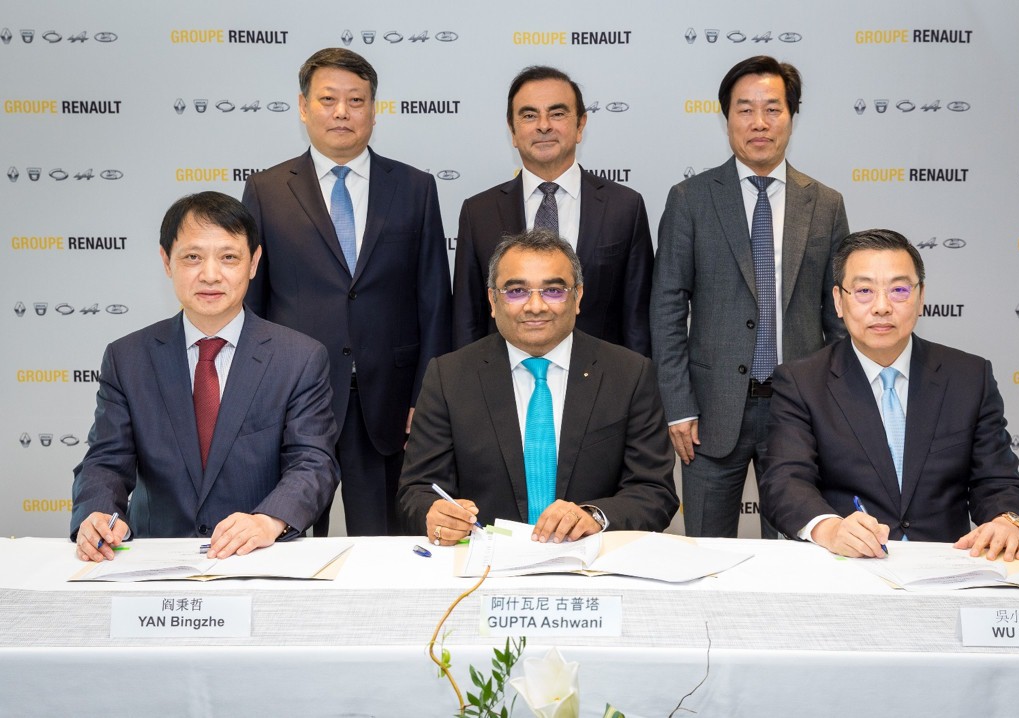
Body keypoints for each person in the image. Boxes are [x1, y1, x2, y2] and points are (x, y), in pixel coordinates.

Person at [242, 48, 452, 536]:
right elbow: (252, 303)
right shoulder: (267, 190)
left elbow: (433, 301)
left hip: (385, 401)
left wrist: (425, 396)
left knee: (382, 544)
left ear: (374, 110)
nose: (342, 112)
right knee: (286, 536)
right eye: (328, 99)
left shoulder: (415, 188)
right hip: (293, 398)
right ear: (303, 107)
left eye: (356, 100)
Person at [71, 192, 339, 562]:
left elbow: (313, 462)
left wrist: (268, 520)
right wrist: (98, 515)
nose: (210, 275)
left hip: (259, 556)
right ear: (166, 261)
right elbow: (105, 460)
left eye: (229, 257)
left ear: (253, 263)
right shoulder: (127, 358)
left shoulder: (299, 358)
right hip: (154, 560)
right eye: (192, 257)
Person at [651, 55, 849, 538]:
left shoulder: (825, 204)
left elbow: (839, 316)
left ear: (792, 116)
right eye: (745, 109)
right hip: (711, 411)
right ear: (727, 118)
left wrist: (839, 404)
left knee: (796, 551)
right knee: (706, 553)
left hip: (799, 410)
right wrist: (679, 405)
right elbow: (668, 307)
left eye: (772, 109)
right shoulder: (691, 199)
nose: (759, 122)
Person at [760, 228, 1019, 561]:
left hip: (944, 564)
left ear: (921, 298)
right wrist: (830, 529)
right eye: (864, 290)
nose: (882, 307)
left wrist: (1007, 521)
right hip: (847, 564)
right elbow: (785, 481)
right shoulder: (802, 381)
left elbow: (999, 480)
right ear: (838, 301)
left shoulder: (968, 377)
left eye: (899, 290)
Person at [398, 229, 678, 545]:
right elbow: (416, 491)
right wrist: (434, 515)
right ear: (492, 300)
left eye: (553, 291)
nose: (535, 306)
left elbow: (655, 492)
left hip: (592, 562)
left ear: (578, 297)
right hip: (486, 564)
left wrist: (595, 517)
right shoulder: (449, 377)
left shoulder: (629, 374)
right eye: (516, 291)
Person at [452, 65, 653, 355]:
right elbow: (466, 321)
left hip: (601, 376)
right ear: (512, 131)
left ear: (580, 125)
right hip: (503, 375)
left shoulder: (624, 207)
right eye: (529, 115)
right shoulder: (478, 213)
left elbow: (637, 321)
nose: (543, 125)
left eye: (557, 114)